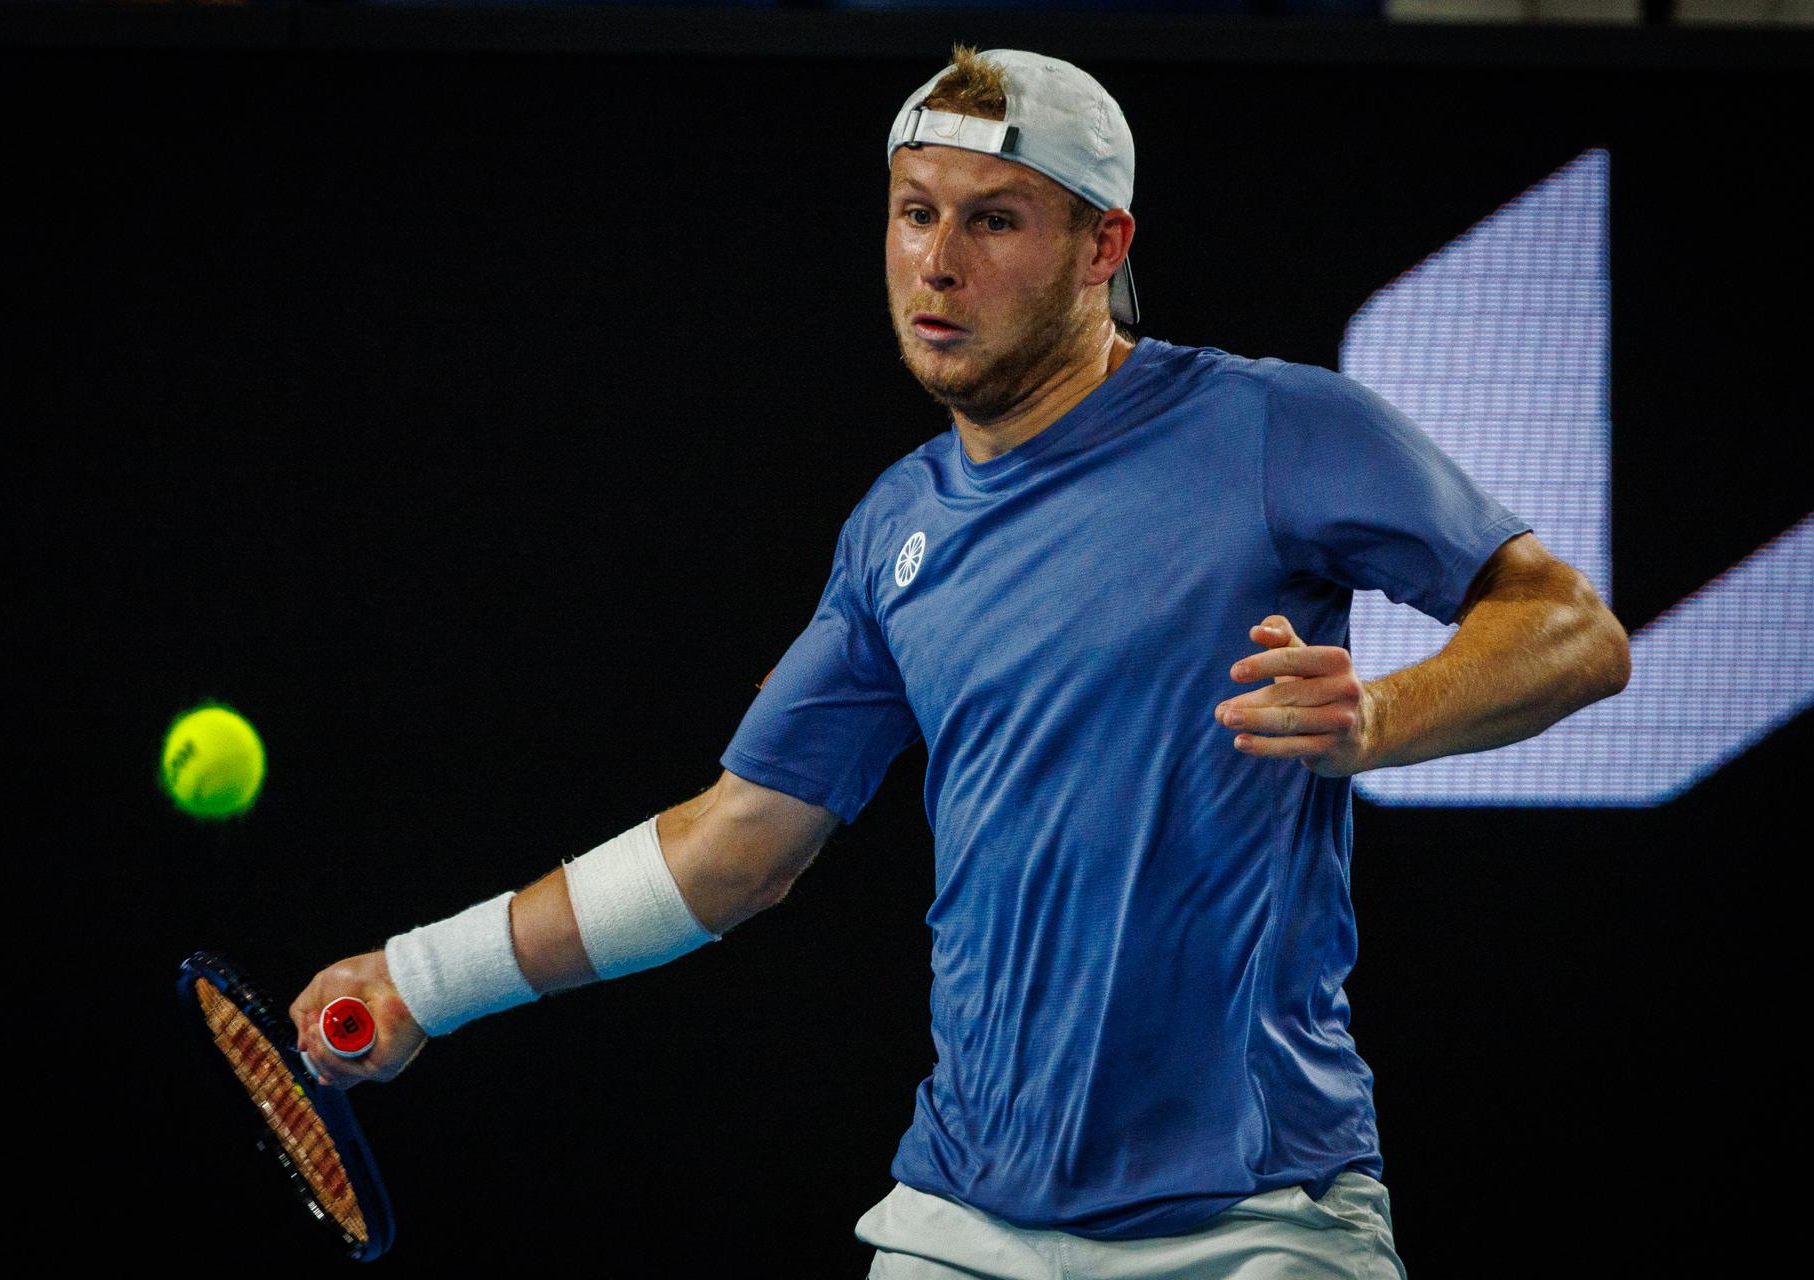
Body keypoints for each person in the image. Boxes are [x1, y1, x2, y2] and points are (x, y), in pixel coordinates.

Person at [291, 47, 1631, 1279]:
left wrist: (1380, 716)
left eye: (993, 221)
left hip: (1255, 1219)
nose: (936, 264)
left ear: (1102, 245)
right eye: (915, 212)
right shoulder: (894, 529)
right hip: (961, 1223)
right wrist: (421, 978)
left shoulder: (1274, 426)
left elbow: (1573, 631)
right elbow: (735, 848)